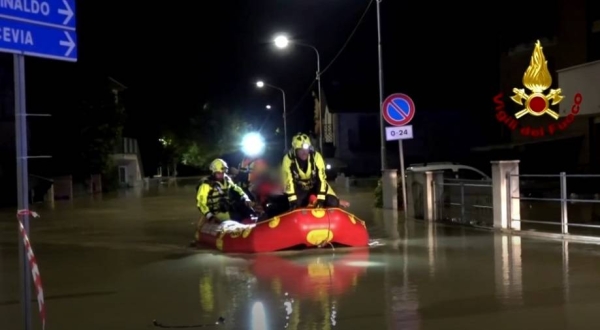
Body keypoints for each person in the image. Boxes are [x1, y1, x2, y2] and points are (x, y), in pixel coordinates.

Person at [281, 133, 340, 210]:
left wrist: (321, 199)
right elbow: (288, 181)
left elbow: (321, 180)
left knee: (333, 202)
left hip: (316, 186)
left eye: (306, 149)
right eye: (300, 150)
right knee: (293, 206)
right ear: (295, 150)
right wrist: (293, 201)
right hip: (299, 189)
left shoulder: (316, 157)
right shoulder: (288, 159)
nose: (304, 152)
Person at [196, 158, 254, 226]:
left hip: (227, 208)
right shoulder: (206, 185)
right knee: (236, 217)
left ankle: (252, 222)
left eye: (223, 173)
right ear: (213, 172)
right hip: (216, 212)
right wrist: (210, 216)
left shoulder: (227, 179)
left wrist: (245, 198)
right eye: (219, 173)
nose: (222, 175)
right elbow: (201, 202)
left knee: (247, 210)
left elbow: (237, 189)